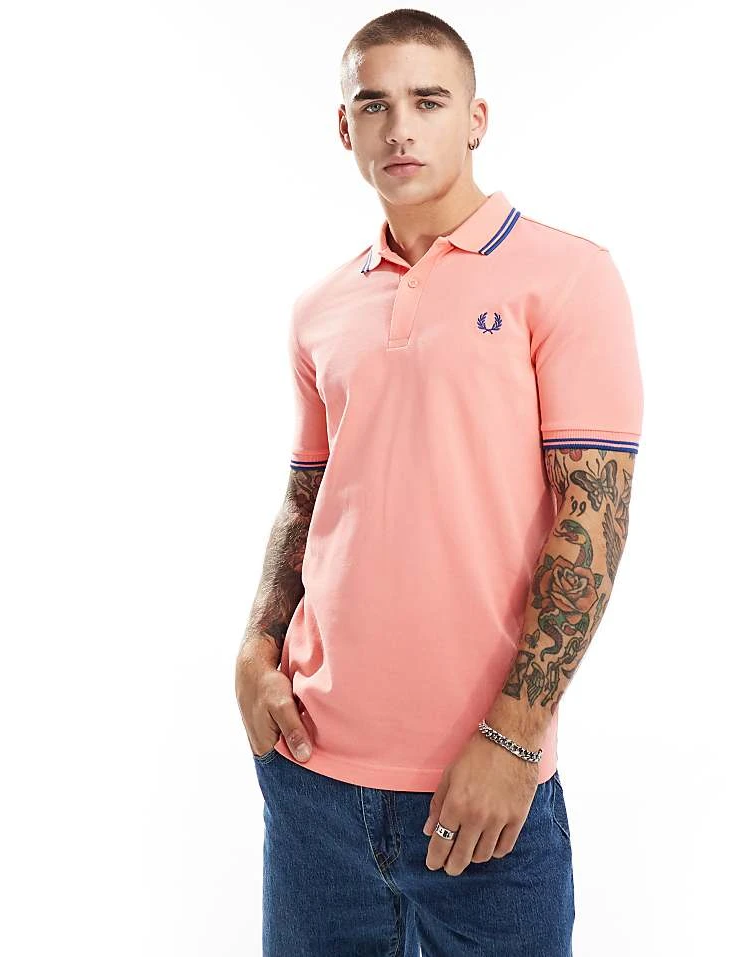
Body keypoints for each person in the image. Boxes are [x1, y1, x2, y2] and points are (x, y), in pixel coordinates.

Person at [235, 8, 643, 955]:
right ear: (345, 127)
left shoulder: (568, 277)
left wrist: (513, 737)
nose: (400, 129)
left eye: (428, 100)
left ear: (476, 118)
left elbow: (593, 517)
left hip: (483, 785)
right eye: (373, 105)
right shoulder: (321, 306)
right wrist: (254, 647)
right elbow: (307, 494)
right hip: (310, 775)